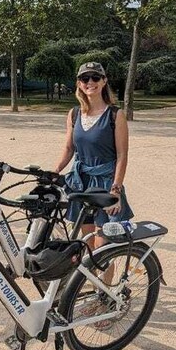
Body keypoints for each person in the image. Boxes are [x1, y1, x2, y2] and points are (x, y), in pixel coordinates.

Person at [53, 61, 133, 250]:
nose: (90, 82)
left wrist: (116, 190)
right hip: (81, 182)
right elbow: (69, 148)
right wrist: (55, 171)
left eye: (95, 77)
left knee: (103, 244)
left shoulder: (115, 115)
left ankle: (104, 280)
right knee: (86, 240)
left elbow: (122, 155)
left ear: (104, 81)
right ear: (79, 83)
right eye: (85, 78)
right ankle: (88, 280)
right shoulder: (74, 114)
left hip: (105, 183)